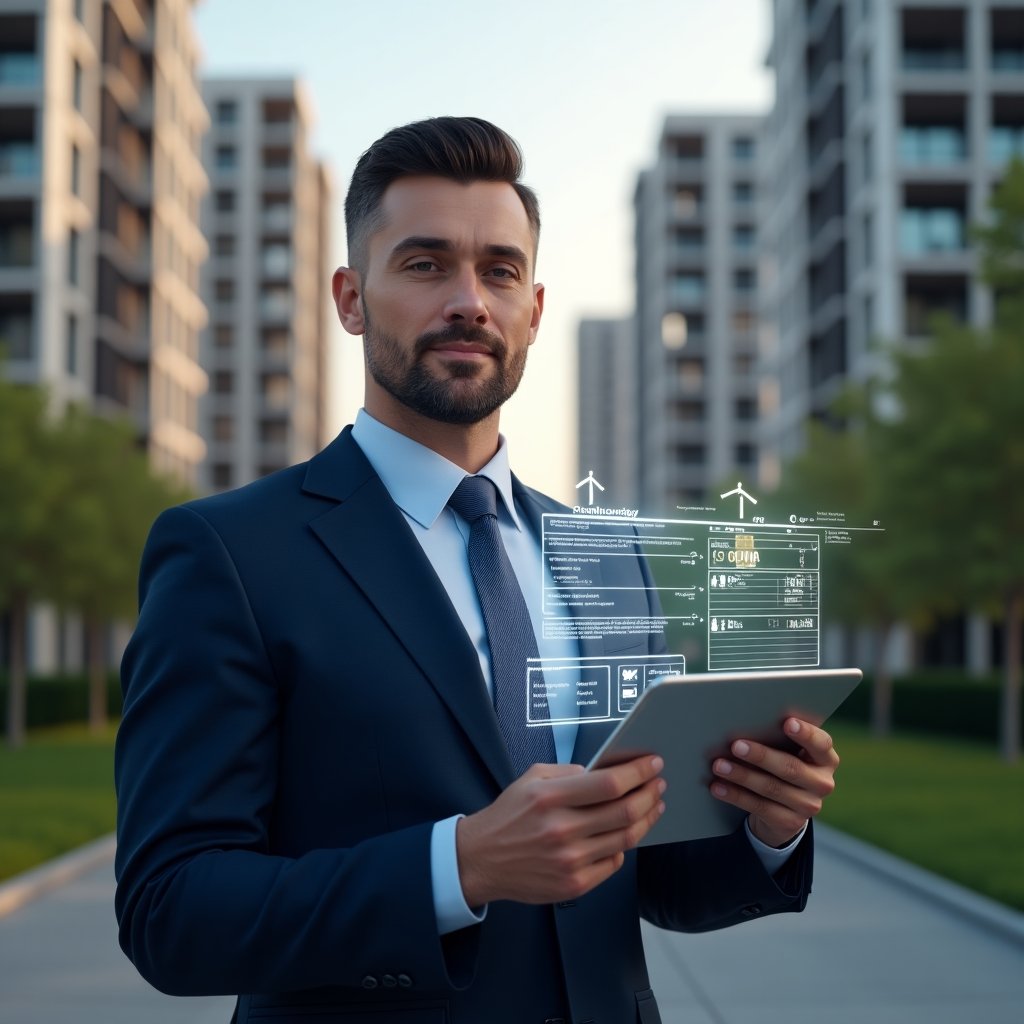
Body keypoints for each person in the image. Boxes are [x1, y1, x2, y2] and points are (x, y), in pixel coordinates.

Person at [115, 116, 841, 1024]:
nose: (469, 301)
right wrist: (457, 869)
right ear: (351, 299)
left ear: (533, 309)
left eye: (499, 271)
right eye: (425, 265)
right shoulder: (229, 554)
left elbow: (650, 878)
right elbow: (170, 910)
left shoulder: (610, 561)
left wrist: (769, 825)